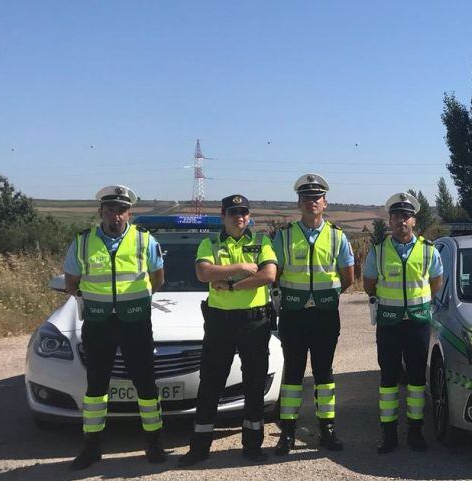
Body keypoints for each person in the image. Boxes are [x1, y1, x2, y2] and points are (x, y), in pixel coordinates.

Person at [63, 185, 166, 470]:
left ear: (129, 212)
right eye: (111, 209)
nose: (116, 214)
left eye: (121, 209)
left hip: (135, 322)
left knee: (146, 384)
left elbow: (158, 278)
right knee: (96, 387)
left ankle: (154, 442)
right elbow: (72, 282)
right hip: (98, 323)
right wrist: (95, 302)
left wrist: (135, 301)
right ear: (101, 211)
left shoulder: (145, 240)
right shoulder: (82, 242)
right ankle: (92, 446)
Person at [179, 195, 278, 466]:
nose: (240, 217)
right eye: (234, 212)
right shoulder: (209, 243)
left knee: (255, 384)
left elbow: (268, 275)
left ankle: (252, 446)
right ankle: (199, 448)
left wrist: (231, 283)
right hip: (220, 322)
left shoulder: (262, 242)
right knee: (211, 384)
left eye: (244, 212)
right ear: (223, 215)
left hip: (254, 323)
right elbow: (204, 273)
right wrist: (242, 268)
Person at [273, 174, 356, 455]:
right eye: (307, 198)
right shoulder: (284, 236)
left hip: (324, 315)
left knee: (325, 374)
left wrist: (327, 295)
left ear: (325, 203)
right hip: (294, 315)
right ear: (299, 202)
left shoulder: (337, 236)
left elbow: (348, 276)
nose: (312, 202)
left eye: (317, 198)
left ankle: (327, 430)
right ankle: (286, 433)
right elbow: (277, 274)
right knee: (293, 374)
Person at [363, 192, 443, 454]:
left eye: (406, 216)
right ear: (390, 220)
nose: (401, 221)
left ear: (414, 221)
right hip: (389, 324)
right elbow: (369, 285)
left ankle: (415, 432)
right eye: (396, 216)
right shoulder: (378, 251)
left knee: (418, 380)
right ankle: (388, 435)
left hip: (418, 323)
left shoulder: (429, 250)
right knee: (388, 380)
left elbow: (435, 282)